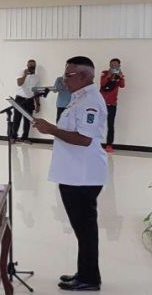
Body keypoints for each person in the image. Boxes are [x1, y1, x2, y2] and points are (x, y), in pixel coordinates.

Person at [33, 56, 107, 292]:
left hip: (83, 176)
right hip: (74, 174)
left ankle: (90, 279)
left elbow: (84, 139)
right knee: (82, 229)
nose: (64, 80)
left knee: (85, 229)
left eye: (68, 75)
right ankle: (84, 272)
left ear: (84, 76)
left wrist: (51, 129)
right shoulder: (79, 97)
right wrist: (52, 129)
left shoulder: (90, 101)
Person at [99, 58, 125, 153]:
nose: (114, 66)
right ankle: (94, 143)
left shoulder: (119, 75)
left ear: (119, 66)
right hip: (101, 104)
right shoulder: (104, 73)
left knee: (110, 125)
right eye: (112, 65)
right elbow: (102, 83)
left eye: (116, 65)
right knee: (97, 123)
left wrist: (121, 77)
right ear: (109, 65)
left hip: (112, 104)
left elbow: (122, 85)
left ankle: (109, 145)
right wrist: (109, 75)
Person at [11, 59, 40, 144]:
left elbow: (36, 91)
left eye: (33, 65)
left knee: (27, 120)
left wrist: (38, 104)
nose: (32, 67)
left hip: (30, 100)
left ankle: (25, 138)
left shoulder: (37, 77)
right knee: (16, 119)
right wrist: (25, 75)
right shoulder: (22, 72)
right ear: (27, 65)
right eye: (30, 65)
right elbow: (19, 83)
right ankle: (13, 137)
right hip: (20, 99)